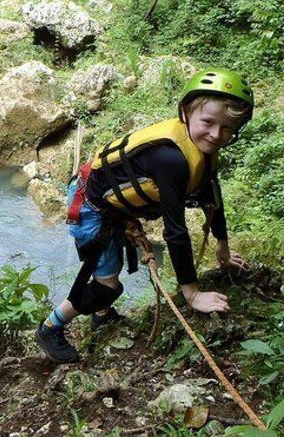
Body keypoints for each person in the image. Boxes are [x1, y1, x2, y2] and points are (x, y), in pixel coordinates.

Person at [36, 68, 254, 363]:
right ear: (186, 113)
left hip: (112, 204)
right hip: (92, 206)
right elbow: (175, 232)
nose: (217, 134)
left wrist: (223, 249)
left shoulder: (203, 150)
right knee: (106, 287)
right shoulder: (171, 158)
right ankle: (51, 327)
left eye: (228, 128)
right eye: (208, 122)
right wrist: (192, 294)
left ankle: (101, 317)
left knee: (108, 278)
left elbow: (212, 198)